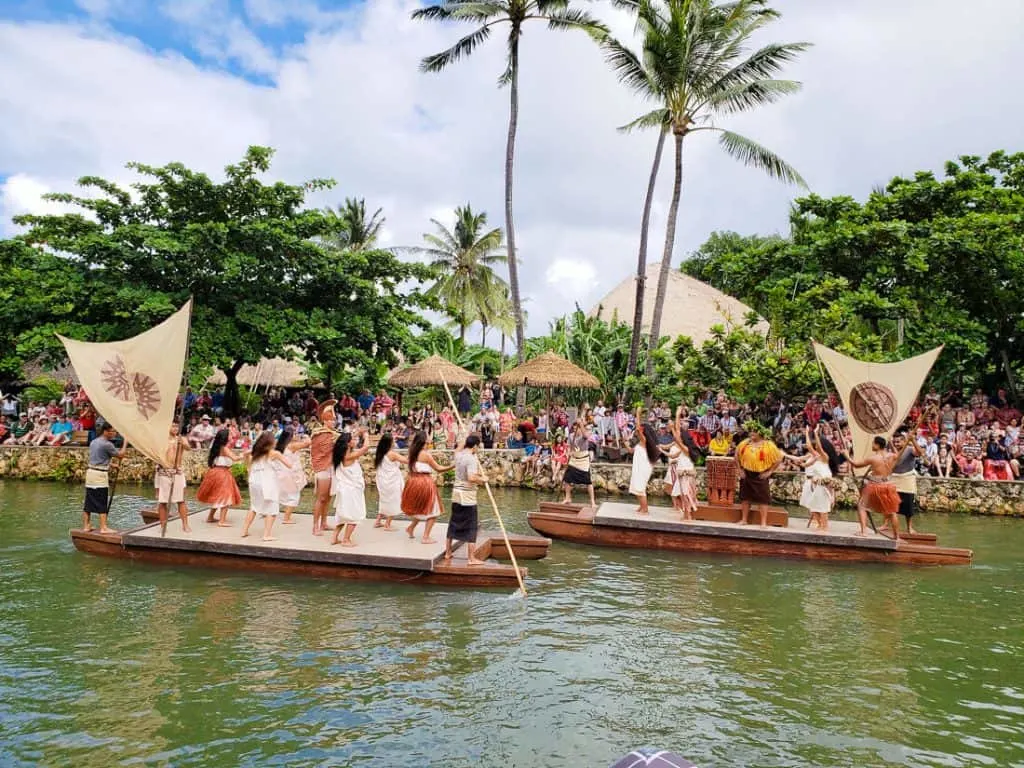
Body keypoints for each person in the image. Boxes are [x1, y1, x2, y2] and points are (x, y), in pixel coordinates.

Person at [401, 430, 453, 544]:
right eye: (428, 438)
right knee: (434, 511)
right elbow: (439, 468)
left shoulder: (412, 452)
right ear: (424, 441)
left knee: (421, 507)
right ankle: (425, 537)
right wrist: (452, 466)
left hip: (413, 481)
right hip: (424, 482)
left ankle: (411, 528)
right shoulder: (425, 455)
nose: (429, 439)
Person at [241, 432, 293, 541]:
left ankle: (244, 531)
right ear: (270, 443)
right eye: (274, 440)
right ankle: (267, 534)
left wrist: (248, 466)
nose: (275, 441)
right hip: (267, 482)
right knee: (272, 508)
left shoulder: (255, 452)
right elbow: (289, 465)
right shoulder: (274, 453)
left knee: (254, 506)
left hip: (254, 482)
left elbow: (245, 454)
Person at [445, 434, 488, 564]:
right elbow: (471, 478)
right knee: (471, 526)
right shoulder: (471, 459)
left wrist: (465, 439)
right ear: (474, 446)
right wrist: (483, 479)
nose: (478, 449)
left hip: (456, 495)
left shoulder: (458, 455)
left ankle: (448, 553)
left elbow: (457, 448)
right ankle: (471, 558)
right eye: (477, 447)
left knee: (453, 523)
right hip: (467, 497)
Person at [849, 436, 902, 539]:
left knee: (861, 506)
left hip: (874, 485)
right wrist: (891, 443)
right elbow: (898, 456)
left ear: (877, 445)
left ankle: (864, 531)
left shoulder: (873, 458)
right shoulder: (892, 456)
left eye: (873, 443)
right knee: (892, 512)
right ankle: (897, 536)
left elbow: (855, 465)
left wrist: (846, 455)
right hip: (888, 485)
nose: (872, 445)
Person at [82, 423, 129, 533]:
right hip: (99, 476)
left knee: (89, 501)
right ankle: (103, 527)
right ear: (105, 431)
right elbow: (121, 455)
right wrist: (125, 443)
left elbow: (98, 459)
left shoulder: (94, 442)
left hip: (91, 474)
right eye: (112, 431)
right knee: (102, 500)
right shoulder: (107, 444)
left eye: (115, 431)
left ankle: (86, 526)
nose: (114, 433)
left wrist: (112, 465)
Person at [329, 428, 372, 547]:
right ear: (348, 443)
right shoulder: (349, 456)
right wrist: (366, 435)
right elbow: (366, 447)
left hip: (345, 490)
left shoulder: (340, 454)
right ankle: (346, 540)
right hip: (351, 490)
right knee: (354, 516)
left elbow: (349, 438)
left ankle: (334, 537)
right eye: (353, 439)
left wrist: (357, 432)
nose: (355, 440)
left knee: (343, 515)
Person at [735, 422, 783, 527]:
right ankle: (744, 520)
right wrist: (740, 470)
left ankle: (763, 522)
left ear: (760, 433)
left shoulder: (768, 445)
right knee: (745, 497)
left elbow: (778, 459)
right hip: (746, 473)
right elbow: (736, 455)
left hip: (761, 474)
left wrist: (770, 471)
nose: (751, 433)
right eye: (750, 431)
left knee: (763, 499)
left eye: (754, 431)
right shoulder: (745, 443)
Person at [786, 426, 833, 531]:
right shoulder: (815, 457)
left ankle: (824, 527)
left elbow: (819, 447)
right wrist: (807, 432)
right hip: (816, 485)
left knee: (823, 507)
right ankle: (820, 525)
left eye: (817, 446)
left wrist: (815, 433)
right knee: (813, 506)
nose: (815, 447)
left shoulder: (825, 457)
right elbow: (808, 447)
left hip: (824, 485)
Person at [197, 428, 243, 527]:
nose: (232, 436)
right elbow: (235, 458)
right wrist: (246, 453)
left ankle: (210, 517)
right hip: (222, 473)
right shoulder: (224, 448)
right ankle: (222, 521)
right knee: (226, 496)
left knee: (219, 496)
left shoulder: (218, 447)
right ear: (225, 437)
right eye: (230, 434)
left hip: (216, 473)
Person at [885, 428, 924, 535]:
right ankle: (885, 524)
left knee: (908, 505)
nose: (896, 444)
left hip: (907, 479)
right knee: (889, 503)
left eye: (898, 441)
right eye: (894, 442)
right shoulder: (891, 451)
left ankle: (909, 527)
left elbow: (920, 453)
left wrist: (912, 440)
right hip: (894, 478)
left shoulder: (910, 449)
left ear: (903, 441)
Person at [309, 399, 340, 536]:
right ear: (325, 421)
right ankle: (315, 526)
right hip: (322, 468)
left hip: (331, 468)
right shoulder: (320, 434)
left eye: (333, 420)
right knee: (321, 498)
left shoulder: (333, 434)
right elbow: (325, 450)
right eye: (330, 420)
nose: (333, 422)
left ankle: (324, 523)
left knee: (328, 498)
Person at [155, 422, 191, 535]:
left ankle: (185, 524)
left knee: (181, 500)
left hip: (177, 472)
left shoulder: (181, 439)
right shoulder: (162, 440)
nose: (175, 428)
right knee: (162, 501)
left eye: (177, 426)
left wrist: (181, 443)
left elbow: (188, 448)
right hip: (164, 472)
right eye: (173, 426)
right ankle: (163, 525)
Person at [666, 407, 698, 519]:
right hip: (683, 471)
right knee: (685, 493)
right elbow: (677, 436)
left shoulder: (685, 449)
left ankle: (688, 516)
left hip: (686, 472)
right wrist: (677, 416)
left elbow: (677, 437)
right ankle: (686, 514)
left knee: (685, 494)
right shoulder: (684, 448)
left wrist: (677, 416)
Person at [628, 407, 660, 515]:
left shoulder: (644, 440)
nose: (638, 430)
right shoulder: (642, 442)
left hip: (643, 468)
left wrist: (637, 413)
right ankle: (642, 506)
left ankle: (645, 509)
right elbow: (632, 451)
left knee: (639, 487)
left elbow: (637, 427)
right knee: (637, 487)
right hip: (640, 467)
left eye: (641, 429)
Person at [275, 428, 310, 526]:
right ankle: (286, 518)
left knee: (282, 494)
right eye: (295, 434)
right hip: (291, 474)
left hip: (282, 472)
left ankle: (267, 512)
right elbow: (308, 442)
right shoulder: (292, 445)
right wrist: (305, 436)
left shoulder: (280, 444)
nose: (296, 435)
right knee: (294, 496)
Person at [373, 432, 408, 530]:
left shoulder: (379, 453)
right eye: (393, 440)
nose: (394, 441)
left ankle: (378, 521)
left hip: (383, 481)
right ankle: (387, 525)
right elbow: (406, 460)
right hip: (391, 481)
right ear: (389, 443)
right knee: (394, 500)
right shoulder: (392, 454)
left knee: (384, 500)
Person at [561, 420, 597, 508]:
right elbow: (569, 447)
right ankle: (568, 498)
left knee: (588, 482)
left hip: (583, 460)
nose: (576, 430)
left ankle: (592, 501)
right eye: (574, 429)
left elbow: (585, 436)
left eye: (577, 429)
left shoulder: (585, 434)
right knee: (567, 479)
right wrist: (568, 453)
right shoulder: (571, 436)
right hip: (574, 459)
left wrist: (581, 423)